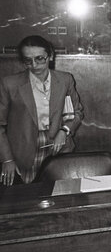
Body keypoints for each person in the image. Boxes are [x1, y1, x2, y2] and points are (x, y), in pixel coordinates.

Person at [0, 35, 84, 185]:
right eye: (28, 60)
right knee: (29, 197)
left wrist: (64, 131)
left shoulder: (65, 80)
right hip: (24, 151)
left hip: (60, 147)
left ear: (50, 55)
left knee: (61, 193)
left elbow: (76, 112)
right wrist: (7, 159)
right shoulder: (10, 84)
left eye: (39, 58)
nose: (34, 65)